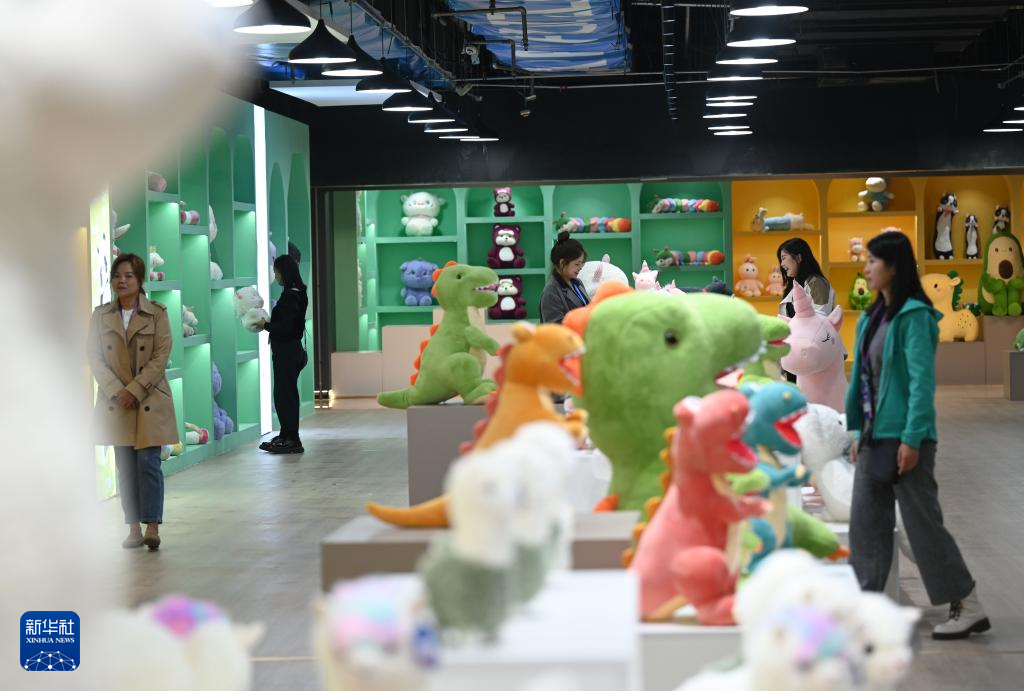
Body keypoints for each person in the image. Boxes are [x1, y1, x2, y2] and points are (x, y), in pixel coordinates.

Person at [846, 232, 989, 640]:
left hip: (909, 440)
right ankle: (866, 609)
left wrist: (911, 439)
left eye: (873, 261)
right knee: (866, 528)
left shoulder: (916, 317)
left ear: (894, 267)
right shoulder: (870, 317)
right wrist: (856, 428)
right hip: (874, 437)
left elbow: (921, 385)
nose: (866, 268)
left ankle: (967, 603)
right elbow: (861, 379)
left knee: (922, 527)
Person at [87, 253, 178, 550]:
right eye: (117, 276)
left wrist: (135, 390)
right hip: (116, 402)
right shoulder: (101, 315)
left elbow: (161, 355)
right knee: (125, 467)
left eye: (128, 276)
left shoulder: (157, 313)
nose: (121, 281)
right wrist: (117, 390)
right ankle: (133, 528)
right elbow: (94, 356)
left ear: (140, 280)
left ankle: (152, 525)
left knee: (148, 463)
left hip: (148, 399)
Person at [256, 255, 308, 454]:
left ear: (283, 273)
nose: (275, 276)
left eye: (276, 272)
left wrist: (265, 325)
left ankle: (291, 437)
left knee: (285, 396)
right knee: (285, 394)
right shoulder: (299, 293)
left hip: (287, 352)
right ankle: (286, 434)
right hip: (292, 351)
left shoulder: (290, 297)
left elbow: (286, 328)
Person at [776, 238, 835, 318]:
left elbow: (820, 317)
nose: (782, 264)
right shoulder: (793, 285)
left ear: (798, 258)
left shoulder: (817, 283)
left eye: (784, 258)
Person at [540, 231, 589, 324]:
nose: (580, 267)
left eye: (581, 264)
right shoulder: (551, 291)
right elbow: (554, 327)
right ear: (562, 263)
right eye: (577, 264)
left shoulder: (577, 283)